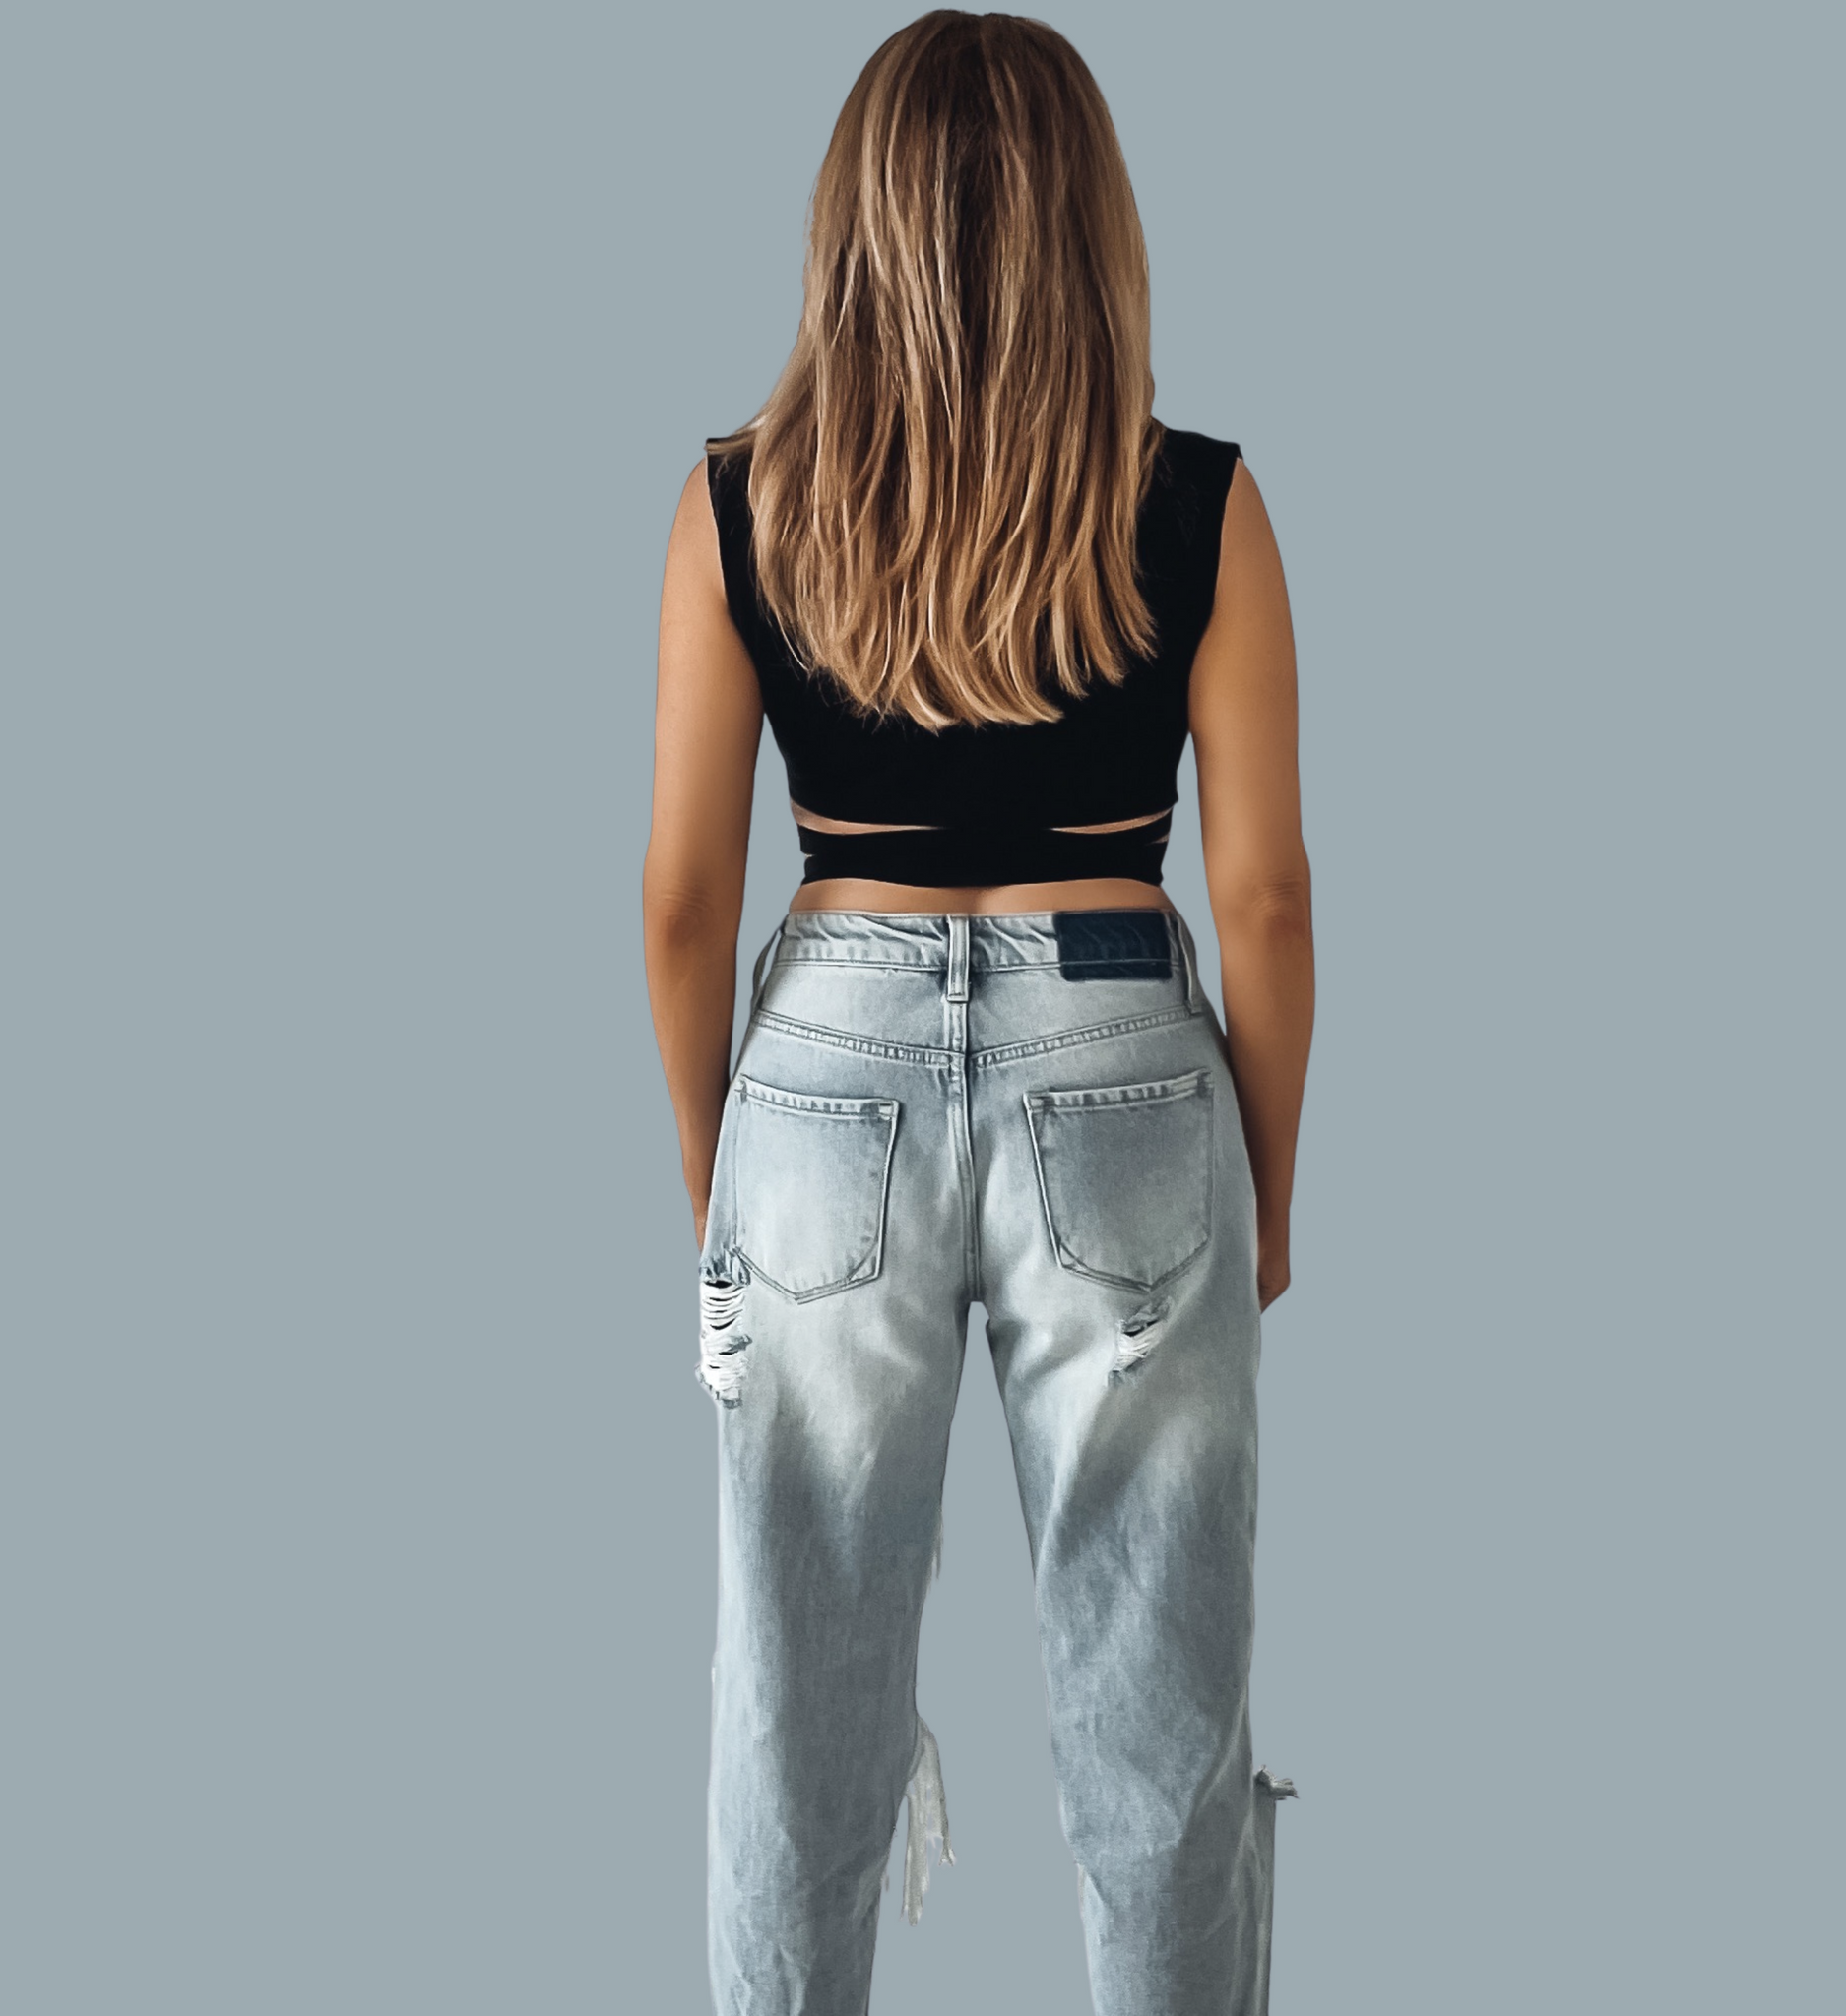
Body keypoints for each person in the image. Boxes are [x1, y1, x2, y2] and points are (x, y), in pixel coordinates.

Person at [642, 13, 1312, 2011]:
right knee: (1162, 1709)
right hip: (1126, 1073)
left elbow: (682, 908)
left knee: (795, 1702)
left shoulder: (742, 505)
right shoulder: (1201, 503)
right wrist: (1268, 1195)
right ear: (1093, 225)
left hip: (819, 1076)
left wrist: (719, 1196)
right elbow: (1264, 898)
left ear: (850, 228)